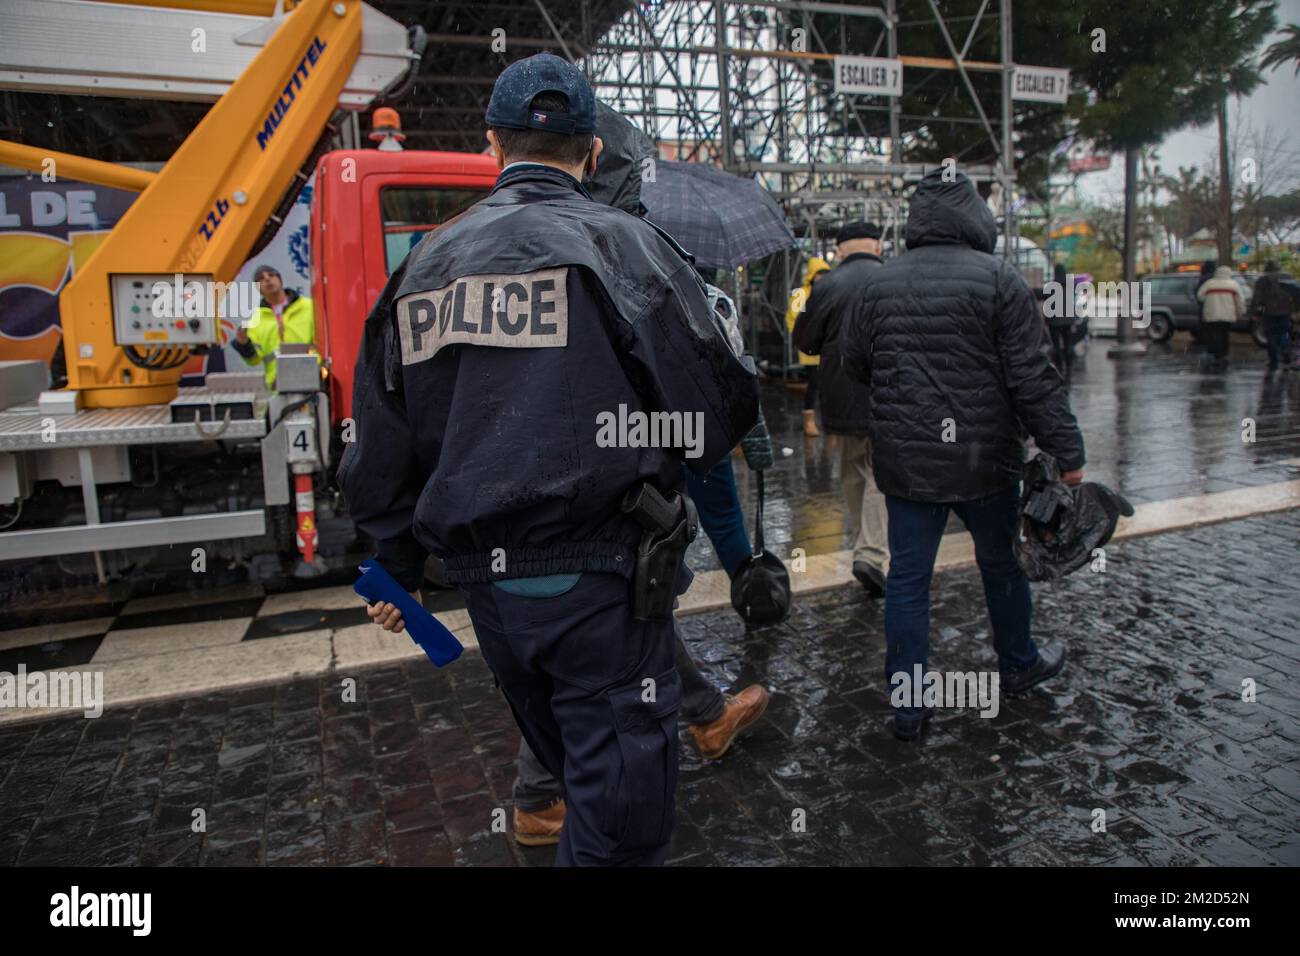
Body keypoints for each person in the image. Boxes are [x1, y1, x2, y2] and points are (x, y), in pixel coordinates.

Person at [338, 54, 759, 866]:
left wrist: (393, 562)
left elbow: (379, 442)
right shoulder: (629, 247)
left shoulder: (421, 267)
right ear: (593, 151)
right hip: (604, 576)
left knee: (571, 770)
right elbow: (714, 413)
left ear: (492, 141)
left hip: (491, 596)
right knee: (624, 821)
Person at [841, 169, 1086, 741]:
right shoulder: (1000, 280)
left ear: (917, 222)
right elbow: (1033, 378)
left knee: (907, 579)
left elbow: (854, 364)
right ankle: (1019, 665)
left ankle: (908, 707)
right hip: (986, 459)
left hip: (906, 462)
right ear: (977, 217)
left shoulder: (878, 283)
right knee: (1000, 565)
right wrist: (1067, 451)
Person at [794, 221, 889, 597]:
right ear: (877, 247)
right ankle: (870, 550)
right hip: (887, 393)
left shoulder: (827, 285)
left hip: (841, 394)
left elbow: (804, 339)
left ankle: (864, 545)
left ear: (840, 251)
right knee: (880, 473)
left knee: (852, 470)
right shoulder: (894, 278)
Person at [230, 264, 315, 388]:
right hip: (278, 385)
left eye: (271, 275)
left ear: (280, 280)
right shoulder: (256, 320)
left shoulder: (309, 307)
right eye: (261, 278)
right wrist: (244, 344)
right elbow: (254, 360)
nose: (267, 279)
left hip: (311, 378)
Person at [786, 257, 831, 436]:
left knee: (827, 383)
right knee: (814, 383)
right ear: (812, 275)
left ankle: (826, 419)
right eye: (819, 274)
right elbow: (792, 318)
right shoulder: (801, 294)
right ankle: (809, 421)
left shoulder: (828, 292)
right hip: (811, 346)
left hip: (827, 345)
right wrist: (801, 338)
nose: (822, 278)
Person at [1249, 260, 1295, 370]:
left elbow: (1257, 297)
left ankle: (1273, 360)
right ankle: (1286, 352)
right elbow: (1295, 294)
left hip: (1269, 312)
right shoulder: (1287, 278)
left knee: (1271, 336)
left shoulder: (1262, 281)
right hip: (1286, 311)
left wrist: (1255, 310)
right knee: (1284, 333)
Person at [1196, 264, 1244, 370]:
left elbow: (1200, 296)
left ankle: (1216, 355)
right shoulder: (1233, 285)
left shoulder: (1209, 284)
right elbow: (1240, 300)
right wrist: (1241, 312)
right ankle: (1224, 354)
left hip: (1211, 314)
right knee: (1225, 334)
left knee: (1214, 335)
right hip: (1228, 315)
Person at [1045, 263, 1075, 374]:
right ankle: (1069, 365)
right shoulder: (1070, 286)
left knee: (1056, 345)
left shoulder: (1050, 286)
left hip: (1054, 322)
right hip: (1067, 321)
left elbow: (1042, 296)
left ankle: (1059, 367)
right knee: (1068, 344)